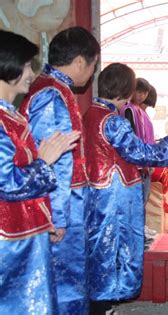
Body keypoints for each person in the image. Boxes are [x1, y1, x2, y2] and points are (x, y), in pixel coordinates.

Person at [83, 63, 168, 313]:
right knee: (113, 248)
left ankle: (100, 302)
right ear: (126, 90)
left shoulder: (90, 113)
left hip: (96, 192)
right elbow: (139, 152)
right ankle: (103, 303)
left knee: (98, 247)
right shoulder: (112, 121)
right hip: (114, 197)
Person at [19, 26, 100, 315]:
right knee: (65, 283)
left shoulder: (51, 88)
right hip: (62, 206)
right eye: (92, 66)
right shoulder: (53, 95)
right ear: (80, 62)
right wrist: (58, 216)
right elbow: (54, 160)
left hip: (64, 202)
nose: (91, 74)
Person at [0, 29, 81, 315]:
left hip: (24, 230)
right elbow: (7, 183)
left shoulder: (11, 116)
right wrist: (45, 162)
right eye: (25, 65)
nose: (30, 72)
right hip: (10, 237)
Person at [119, 78, 154, 203]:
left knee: (143, 200)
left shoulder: (140, 110)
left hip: (145, 161)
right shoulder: (129, 109)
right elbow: (131, 138)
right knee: (137, 201)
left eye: (144, 93)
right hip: (136, 164)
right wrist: (141, 162)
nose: (141, 96)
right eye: (138, 92)